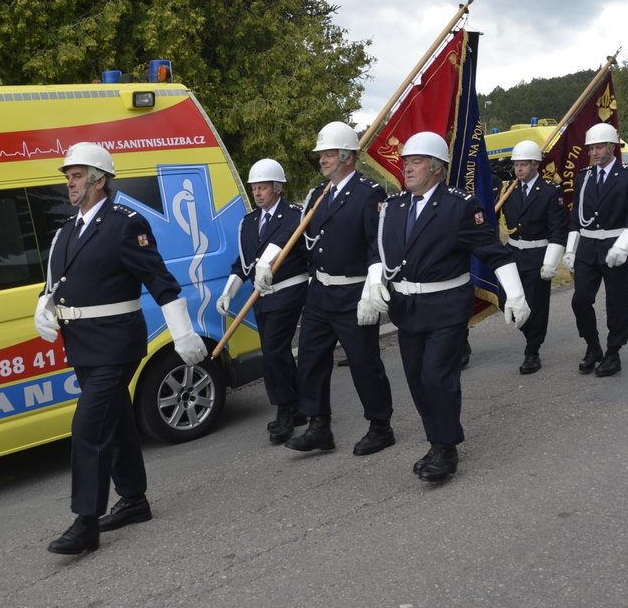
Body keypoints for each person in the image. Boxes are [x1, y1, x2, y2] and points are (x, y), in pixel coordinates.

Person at [35, 142, 207, 555]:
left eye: (76, 176)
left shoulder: (126, 223)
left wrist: (181, 330)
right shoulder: (67, 230)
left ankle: (85, 522)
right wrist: (45, 302)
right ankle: (134, 499)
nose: (69, 183)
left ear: (99, 180)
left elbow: (159, 279)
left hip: (116, 343)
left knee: (88, 427)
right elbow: (60, 281)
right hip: (82, 346)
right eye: (68, 176)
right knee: (114, 420)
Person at [365, 131, 530, 483]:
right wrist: (373, 282)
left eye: (417, 162)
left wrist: (514, 294)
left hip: (445, 307)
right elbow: (378, 250)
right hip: (406, 308)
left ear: (437, 168)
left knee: (438, 377)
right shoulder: (393, 207)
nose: (407, 168)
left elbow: (494, 252)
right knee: (416, 380)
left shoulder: (460, 206)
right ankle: (436, 438)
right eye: (406, 162)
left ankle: (445, 448)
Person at [284, 121, 395, 457]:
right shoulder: (318, 195)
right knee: (311, 361)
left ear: (348, 155)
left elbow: (378, 244)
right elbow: (304, 241)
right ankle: (320, 426)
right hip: (320, 293)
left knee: (364, 362)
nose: (322, 159)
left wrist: (373, 286)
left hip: (353, 293)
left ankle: (380, 426)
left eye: (329, 153)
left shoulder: (368, 193)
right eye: (321, 154)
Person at [217, 158, 308, 444]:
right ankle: (297, 406)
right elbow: (244, 263)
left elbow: (281, 243)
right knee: (277, 351)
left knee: (272, 351)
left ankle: (283, 411)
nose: (257, 193)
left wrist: (267, 264)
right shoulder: (248, 222)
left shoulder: (293, 214)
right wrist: (229, 291)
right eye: (254, 188)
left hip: (288, 290)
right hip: (262, 297)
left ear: (277, 188)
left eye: (263, 188)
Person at [563, 122, 628, 378]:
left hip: (615, 245)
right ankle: (593, 345)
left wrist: (623, 246)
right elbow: (577, 217)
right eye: (591, 148)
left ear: (612, 147)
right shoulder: (583, 177)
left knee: (617, 303)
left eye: (599, 147)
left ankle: (613, 351)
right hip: (587, 248)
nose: (595, 152)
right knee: (580, 300)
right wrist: (570, 249)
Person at [498, 140, 569, 374]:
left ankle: (532, 350)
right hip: (513, 253)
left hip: (538, 252)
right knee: (504, 297)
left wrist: (551, 261)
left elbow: (558, 230)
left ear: (536, 165)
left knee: (536, 304)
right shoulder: (509, 190)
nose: (518, 169)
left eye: (524, 165)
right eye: (516, 164)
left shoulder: (550, 192)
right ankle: (529, 331)